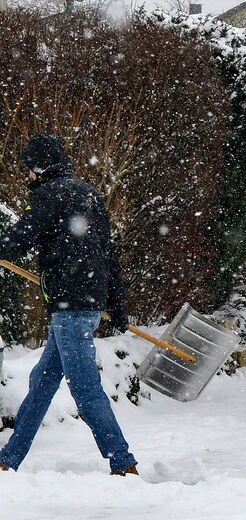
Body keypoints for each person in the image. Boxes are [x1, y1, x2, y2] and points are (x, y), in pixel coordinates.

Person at [0, 134, 136, 476]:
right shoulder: (86, 193)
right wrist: (117, 304)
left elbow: (20, 238)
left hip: (71, 309)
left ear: (40, 166)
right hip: (85, 304)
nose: (27, 176)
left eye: (29, 169)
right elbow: (109, 252)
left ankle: (123, 464)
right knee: (42, 381)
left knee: (86, 391)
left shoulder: (49, 195)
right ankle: (8, 459)